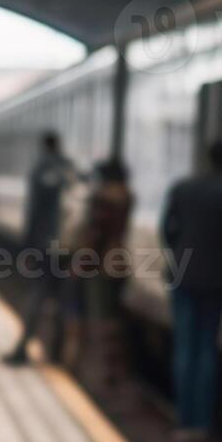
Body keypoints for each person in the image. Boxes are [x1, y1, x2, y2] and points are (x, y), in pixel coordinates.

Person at [160, 139, 222, 442]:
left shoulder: (182, 188)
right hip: (218, 279)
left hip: (183, 276)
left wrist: (179, 255)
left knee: (185, 347)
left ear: (204, 158)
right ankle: (202, 423)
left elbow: (167, 230)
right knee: (207, 348)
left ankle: (184, 420)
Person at [4, 131, 77, 365]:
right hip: (71, 246)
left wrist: (27, 246)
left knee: (37, 294)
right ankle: (58, 352)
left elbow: (35, 210)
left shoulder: (41, 168)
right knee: (63, 297)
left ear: (43, 146)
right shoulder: (70, 168)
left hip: (46, 244)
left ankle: (22, 347)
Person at [71, 158, 134, 376]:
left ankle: (100, 369)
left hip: (100, 265)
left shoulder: (102, 198)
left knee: (99, 317)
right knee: (114, 317)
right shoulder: (127, 196)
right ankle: (115, 368)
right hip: (119, 262)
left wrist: (81, 264)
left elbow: (95, 234)